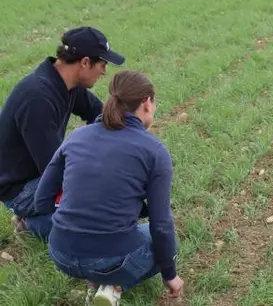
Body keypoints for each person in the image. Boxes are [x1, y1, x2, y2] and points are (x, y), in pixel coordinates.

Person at [34, 70, 183, 306]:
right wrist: (170, 275)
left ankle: (98, 280)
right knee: (166, 240)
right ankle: (113, 283)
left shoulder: (77, 136)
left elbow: (41, 199)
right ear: (146, 102)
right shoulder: (154, 151)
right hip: (110, 259)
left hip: (61, 254)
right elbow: (161, 224)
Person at [0, 27, 125, 240]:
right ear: (85, 62)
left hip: (42, 173)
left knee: (107, 188)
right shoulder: (37, 97)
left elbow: (100, 113)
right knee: (99, 220)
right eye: (102, 64)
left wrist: (129, 139)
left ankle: (48, 218)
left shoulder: (66, 83)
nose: (104, 71)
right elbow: (54, 169)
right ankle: (32, 222)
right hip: (21, 189)